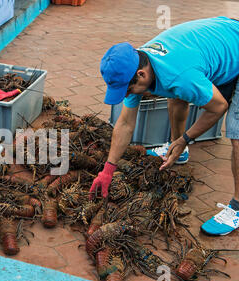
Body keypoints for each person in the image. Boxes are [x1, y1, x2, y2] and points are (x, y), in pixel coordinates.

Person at [89, 16, 239, 236]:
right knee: (176, 95)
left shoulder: (179, 75)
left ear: (141, 75)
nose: (126, 95)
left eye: (127, 90)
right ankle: (178, 153)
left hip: (231, 44)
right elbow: (125, 122)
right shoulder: (137, 63)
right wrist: (108, 170)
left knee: (236, 135)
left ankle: (237, 208)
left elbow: (218, 107)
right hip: (220, 39)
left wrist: (185, 138)